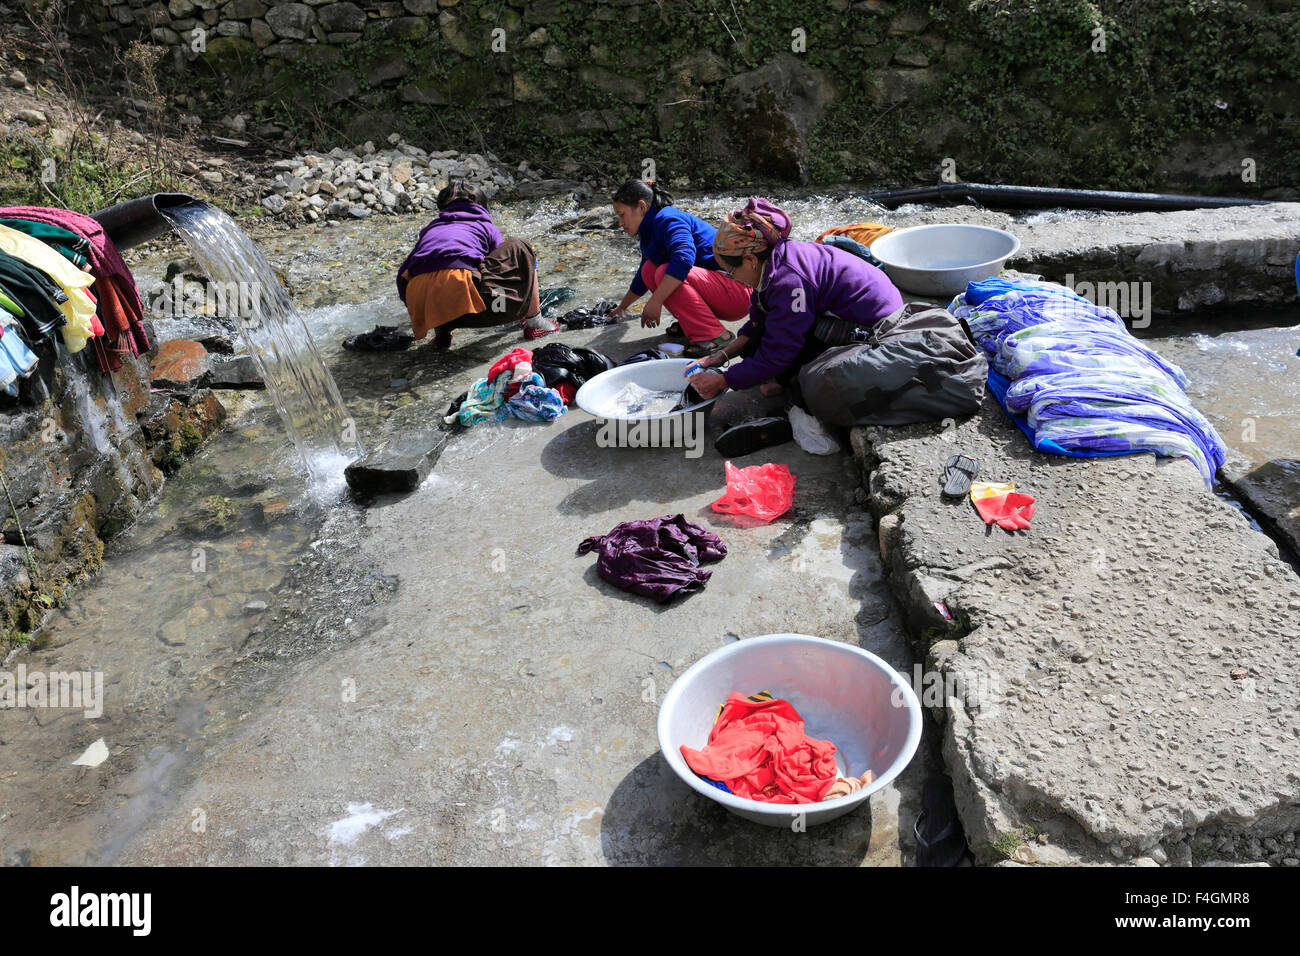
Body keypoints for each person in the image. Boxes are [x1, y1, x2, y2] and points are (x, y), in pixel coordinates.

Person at [687, 197, 904, 400]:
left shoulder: (789, 281)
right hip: (844, 311)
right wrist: (722, 356)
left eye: (731, 273)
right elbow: (756, 322)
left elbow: (779, 350)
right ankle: (785, 378)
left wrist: (723, 380)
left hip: (878, 327)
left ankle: (789, 382)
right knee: (756, 345)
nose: (733, 279)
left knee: (798, 368)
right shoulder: (774, 260)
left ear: (750, 259)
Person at [395, 180, 555, 350]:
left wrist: (418, 313)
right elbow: (502, 273)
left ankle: (442, 334)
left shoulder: (430, 230)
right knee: (522, 246)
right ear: (482, 206)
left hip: (426, 309)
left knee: (439, 276)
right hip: (467, 304)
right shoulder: (485, 227)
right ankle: (536, 322)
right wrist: (507, 305)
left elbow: (402, 276)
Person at [609, 180, 751, 359]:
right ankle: (692, 325)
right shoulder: (649, 230)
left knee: (664, 272)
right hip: (719, 289)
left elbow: (683, 260)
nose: (620, 223)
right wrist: (621, 308)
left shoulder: (668, 219)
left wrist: (655, 301)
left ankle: (716, 336)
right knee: (649, 269)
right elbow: (641, 279)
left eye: (622, 215)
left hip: (739, 292)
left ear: (641, 206)